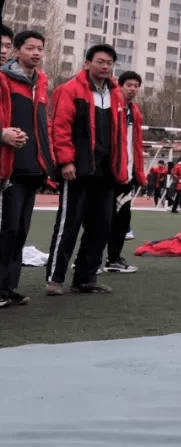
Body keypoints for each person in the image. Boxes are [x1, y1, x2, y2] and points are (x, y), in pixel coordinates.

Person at [45, 43, 130, 296]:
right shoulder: (70, 90)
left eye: (109, 63)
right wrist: (66, 161)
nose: (105, 67)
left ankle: (85, 277)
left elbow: (120, 136)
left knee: (101, 226)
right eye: (100, 62)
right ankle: (54, 278)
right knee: (68, 225)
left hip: (106, 173)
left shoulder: (115, 94)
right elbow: (59, 127)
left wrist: (122, 168)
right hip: (78, 170)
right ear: (87, 63)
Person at [0, 30, 53, 306]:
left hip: (32, 168)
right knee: (7, 229)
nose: (35, 53)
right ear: (17, 51)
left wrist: (47, 162)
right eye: (29, 48)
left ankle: (9, 287)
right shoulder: (4, 79)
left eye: (40, 49)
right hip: (9, 168)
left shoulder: (41, 83)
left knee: (20, 230)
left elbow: (44, 127)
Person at [103, 71, 148, 274]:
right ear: (119, 86)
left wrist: (137, 171)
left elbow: (136, 144)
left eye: (136, 86)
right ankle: (87, 260)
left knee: (122, 220)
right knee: (100, 219)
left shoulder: (135, 112)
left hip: (126, 174)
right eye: (129, 85)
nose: (133, 89)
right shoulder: (110, 107)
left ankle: (113, 258)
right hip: (108, 173)